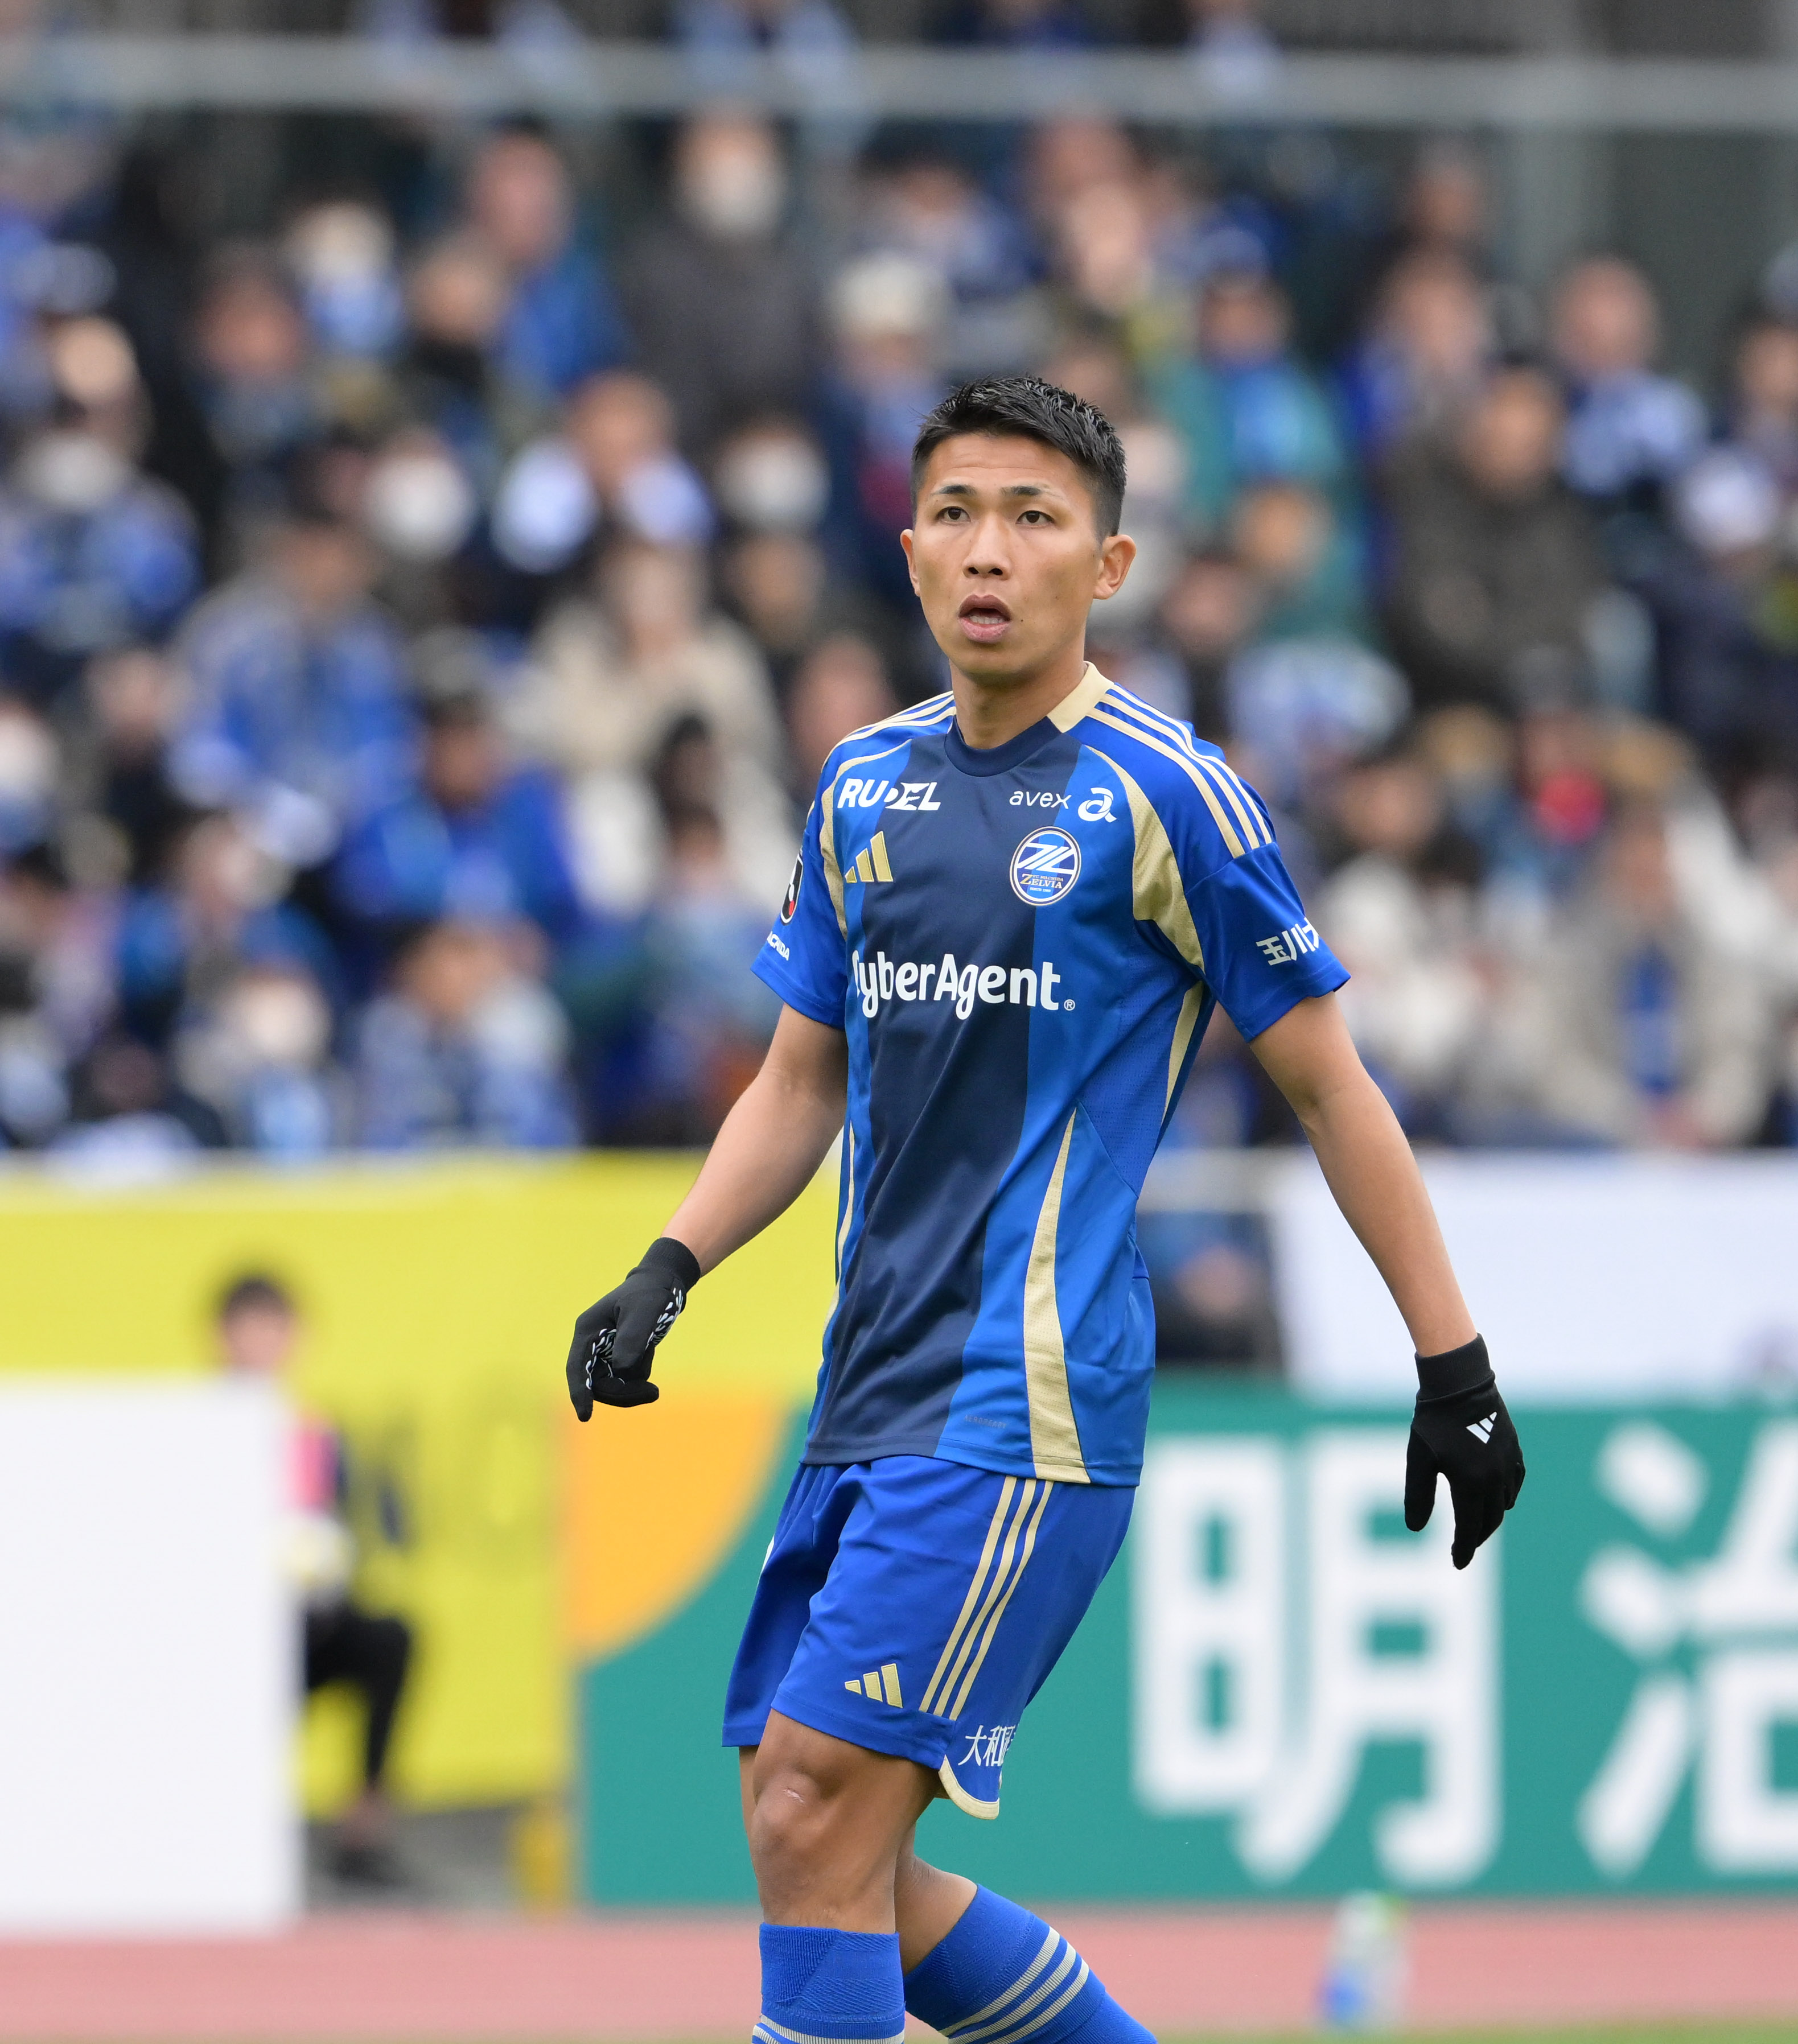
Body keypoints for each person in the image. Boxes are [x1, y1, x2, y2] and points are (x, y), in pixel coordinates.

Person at [557, 378, 1526, 2044]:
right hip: (869, 1388)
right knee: (827, 1842)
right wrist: (669, 1263)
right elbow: (797, 1081)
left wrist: (1455, 1368)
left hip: (1029, 1395)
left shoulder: (1171, 795)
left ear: (1110, 562)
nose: (988, 551)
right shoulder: (860, 786)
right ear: (910, 549)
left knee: (811, 1804)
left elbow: (1331, 1088)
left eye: (1033, 517)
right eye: (955, 513)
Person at [216, 1271, 413, 1892]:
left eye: (277, 1328)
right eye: (251, 1328)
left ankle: (363, 1828)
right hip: (230, 1629)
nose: (264, 1343)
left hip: (308, 1621)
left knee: (390, 1639)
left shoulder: (309, 1430)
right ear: (223, 1336)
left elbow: (333, 1525)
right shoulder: (203, 1427)